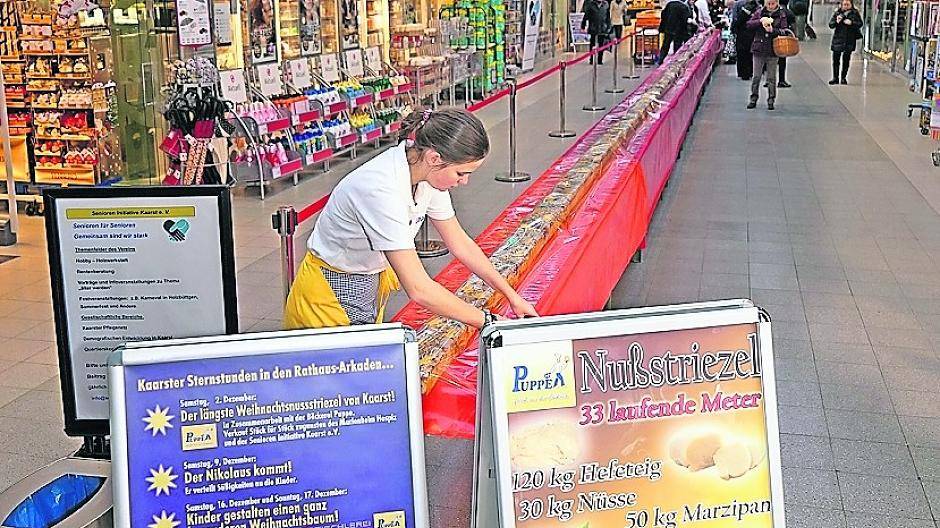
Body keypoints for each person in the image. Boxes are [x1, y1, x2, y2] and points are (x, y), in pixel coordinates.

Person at [284, 108, 538, 330]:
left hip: (367, 281)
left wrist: (511, 296)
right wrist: (490, 322)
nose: (465, 181)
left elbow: (460, 242)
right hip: (327, 294)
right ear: (434, 158)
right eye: (461, 172)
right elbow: (419, 289)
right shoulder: (381, 188)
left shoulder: (425, 174)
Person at [746, 0, 789, 110]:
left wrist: (773, 30)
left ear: (777, 3)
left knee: (771, 77)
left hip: (773, 49)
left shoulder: (781, 14)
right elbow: (749, 25)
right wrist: (759, 21)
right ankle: (753, 98)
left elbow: (785, 31)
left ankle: (771, 99)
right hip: (759, 48)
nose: (770, 6)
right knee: (756, 76)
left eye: (773, 4)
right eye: (768, 4)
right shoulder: (759, 13)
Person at [829, 0, 863, 84]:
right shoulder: (837, 13)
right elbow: (831, 24)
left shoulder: (854, 13)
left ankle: (843, 77)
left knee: (846, 60)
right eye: (844, 4)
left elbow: (860, 23)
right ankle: (835, 77)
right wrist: (837, 21)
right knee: (836, 60)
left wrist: (851, 23)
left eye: (848, 4)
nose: (846, 6)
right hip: (838, 39)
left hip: (849, 40)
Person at [731, 0, 759, 79]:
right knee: (750, 53)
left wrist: (733, 29)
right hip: (752, 33)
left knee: (741, 53)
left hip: (741, 33)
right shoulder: (757, 7)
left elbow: (735, 19)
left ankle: (743, 73)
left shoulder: (738, 4)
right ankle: (750, 72)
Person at [777, 0, 796, 87]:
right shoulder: (787, 12)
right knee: (782, 60)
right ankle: (781, 80)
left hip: (771, 36)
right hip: (782, 38)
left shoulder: (771, 9)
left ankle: (768, 80)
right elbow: (792, 21)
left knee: (769, 61)